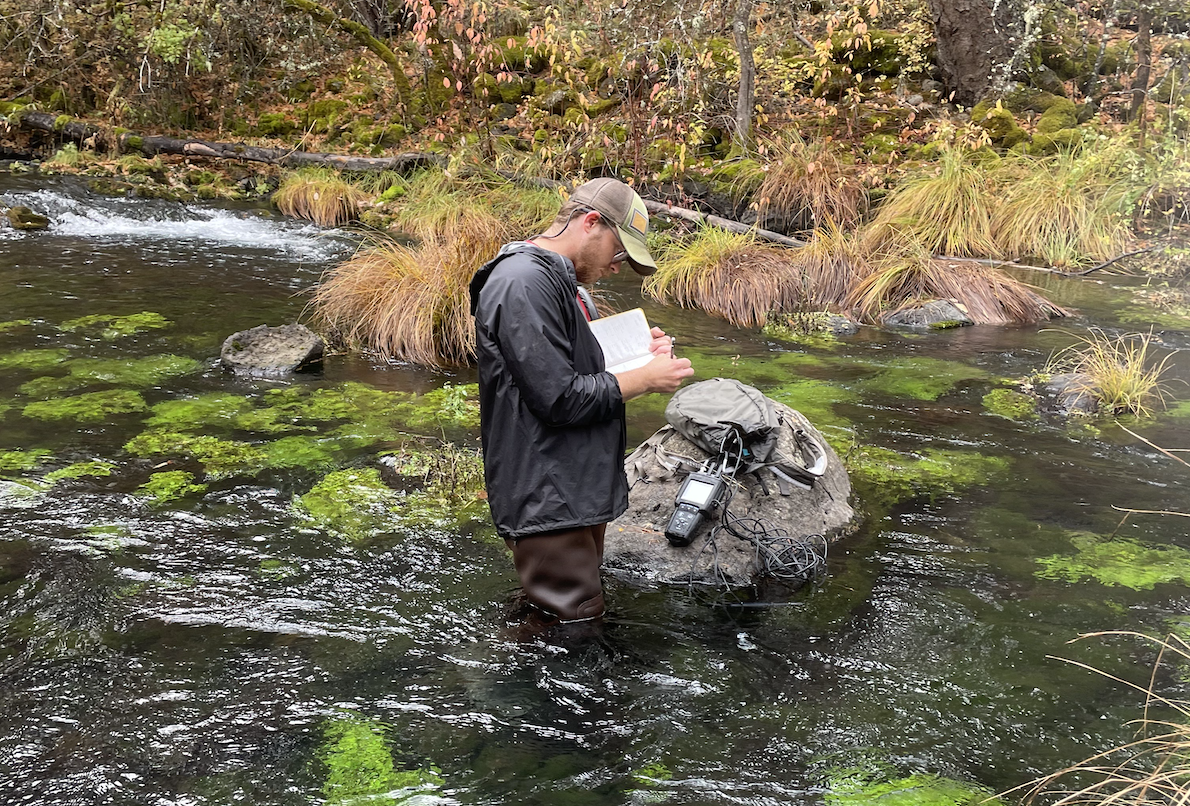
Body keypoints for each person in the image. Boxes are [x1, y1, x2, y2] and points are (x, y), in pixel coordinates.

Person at [469, 178, 694, 624]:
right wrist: (645, 380)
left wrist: (636, 355)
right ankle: (506, 691)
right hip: (547, 490)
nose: (617, 266)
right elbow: (557, 398)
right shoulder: (521, 283)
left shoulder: (562, 285)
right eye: (618, 251)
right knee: (572, 620)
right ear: (590, 222)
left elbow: (566, 365)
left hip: (572, 486)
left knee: (564, 611)